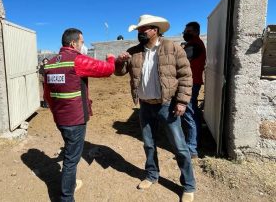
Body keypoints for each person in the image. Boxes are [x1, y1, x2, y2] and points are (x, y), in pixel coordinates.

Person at [115, 15, 196, 202]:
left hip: (167, 106)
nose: (140, 33)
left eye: (144, 29)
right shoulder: (133, 51)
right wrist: (119, 62)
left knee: (180, 147)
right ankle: (152, 175)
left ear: (156, 30)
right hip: (145, 106)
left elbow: (186, 76)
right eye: (139, 30)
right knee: (149, 144)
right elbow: (119, 73)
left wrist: (182, 102)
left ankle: (189, 185)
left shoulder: (173, 48)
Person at [43, 28, 115, 202]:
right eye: (82, 42)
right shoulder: (77, 60)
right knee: (71, 160)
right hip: (75, 119)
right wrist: (111, 58)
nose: (83, 45)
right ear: (73, 43)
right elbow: (107, 70)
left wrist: (55, 113)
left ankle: (69, 186)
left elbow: (47, 96)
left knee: (69, 151)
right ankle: (67, 197)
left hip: (60, 118)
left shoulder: (50, 64)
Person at [181, 22, 206, 158]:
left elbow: (182, 60)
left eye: (188, 31)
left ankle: (191, 148)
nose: (185, 33)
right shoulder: (195, 44)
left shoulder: (194, 44)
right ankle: (195, 142)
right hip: (193, 82)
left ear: (196, 31)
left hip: (190, 83)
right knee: (193, 112)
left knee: (189, 114)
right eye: (185, 31)